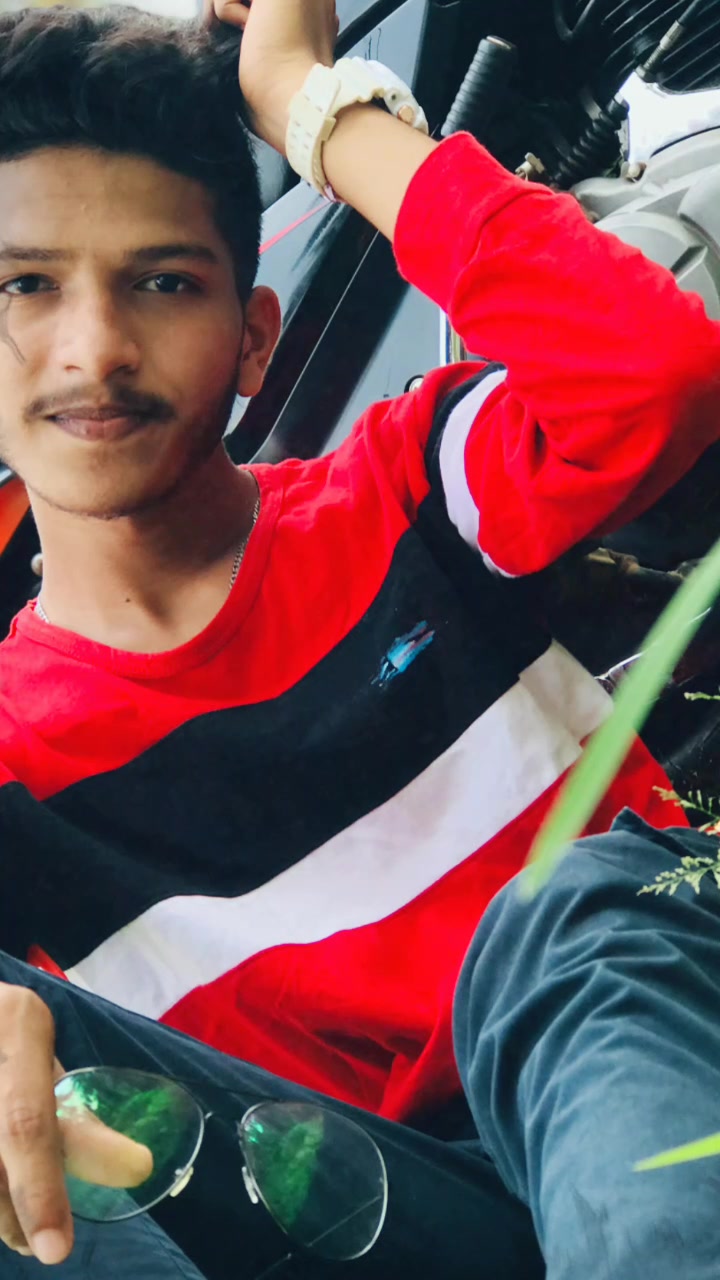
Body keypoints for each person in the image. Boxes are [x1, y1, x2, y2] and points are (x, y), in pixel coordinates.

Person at [1, 1, 720, 1276]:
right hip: (364, 1221)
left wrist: (305, 99)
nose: (94, 348)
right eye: (25, 285)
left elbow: (649, 370)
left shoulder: (406, 484)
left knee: (570, 906)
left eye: (163, 283)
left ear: (254, 340)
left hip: (635, 1076)